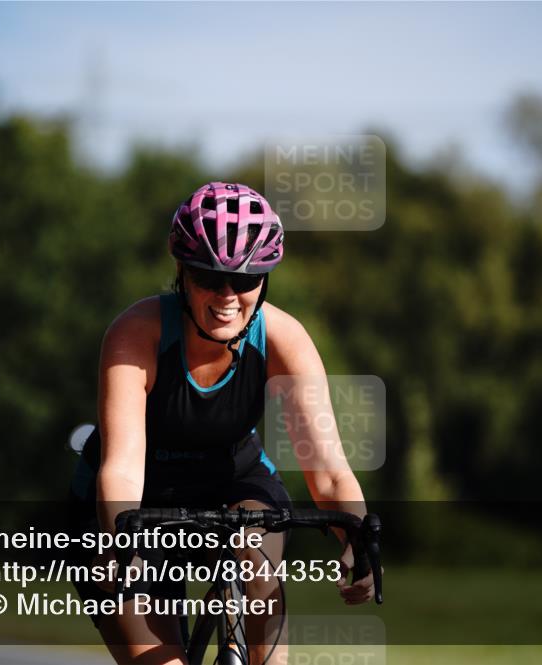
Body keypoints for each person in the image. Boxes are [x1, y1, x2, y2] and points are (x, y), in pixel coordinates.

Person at [68, 182, 374, 665]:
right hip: (132, 502)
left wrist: (357, 540)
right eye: (210, 277)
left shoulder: (283, 337)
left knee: (256, 554)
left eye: (247, 280)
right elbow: (122, 468)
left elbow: (330, 471)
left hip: (234, 480)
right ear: (182, 273)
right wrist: (120, 548)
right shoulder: (137, 332)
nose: (228, 295)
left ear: (266, 280)